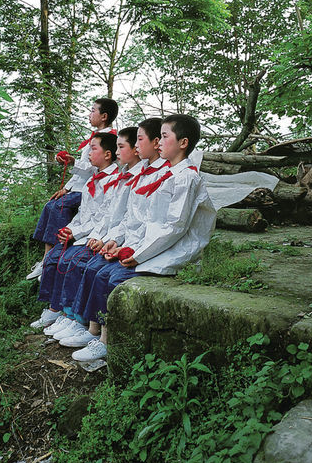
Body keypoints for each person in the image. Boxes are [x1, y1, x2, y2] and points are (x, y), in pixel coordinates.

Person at [71, 114, 215, 363]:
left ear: (183, 143)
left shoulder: (186, 178)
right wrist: (121, 244)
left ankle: (107, 340)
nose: (159, 142)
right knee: (102, 269)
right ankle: (97, 333)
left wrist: (137, 254)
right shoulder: (165, 175)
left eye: (165, 136)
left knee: (114, 276)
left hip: (175, 250)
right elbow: (145, 221)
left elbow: (175, 228)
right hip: (151, 246)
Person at [30, 131, 118, 336]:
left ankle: (75, 317)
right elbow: (83, 216)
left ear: (107, 154)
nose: (88, 153)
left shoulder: (114, 182)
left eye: (93, 148)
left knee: (74, 261)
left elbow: (105, 218)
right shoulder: (92, 181)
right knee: (54, 256)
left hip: (98, 236)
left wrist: (84, 235)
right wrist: (71, 230)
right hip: (86, 233)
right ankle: (58, 308)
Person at [26, 97, 118, 279]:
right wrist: (67, 188)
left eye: (93, 110)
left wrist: (74, 162)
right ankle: (47, 257)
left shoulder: (108, 139)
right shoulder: (95, 138)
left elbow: (93, 168)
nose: (89, 114)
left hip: (91, 187)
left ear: (104, 116)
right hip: (80, 185)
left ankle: (49, 259)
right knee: (52, 204)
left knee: (57, 208)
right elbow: (83, 169)